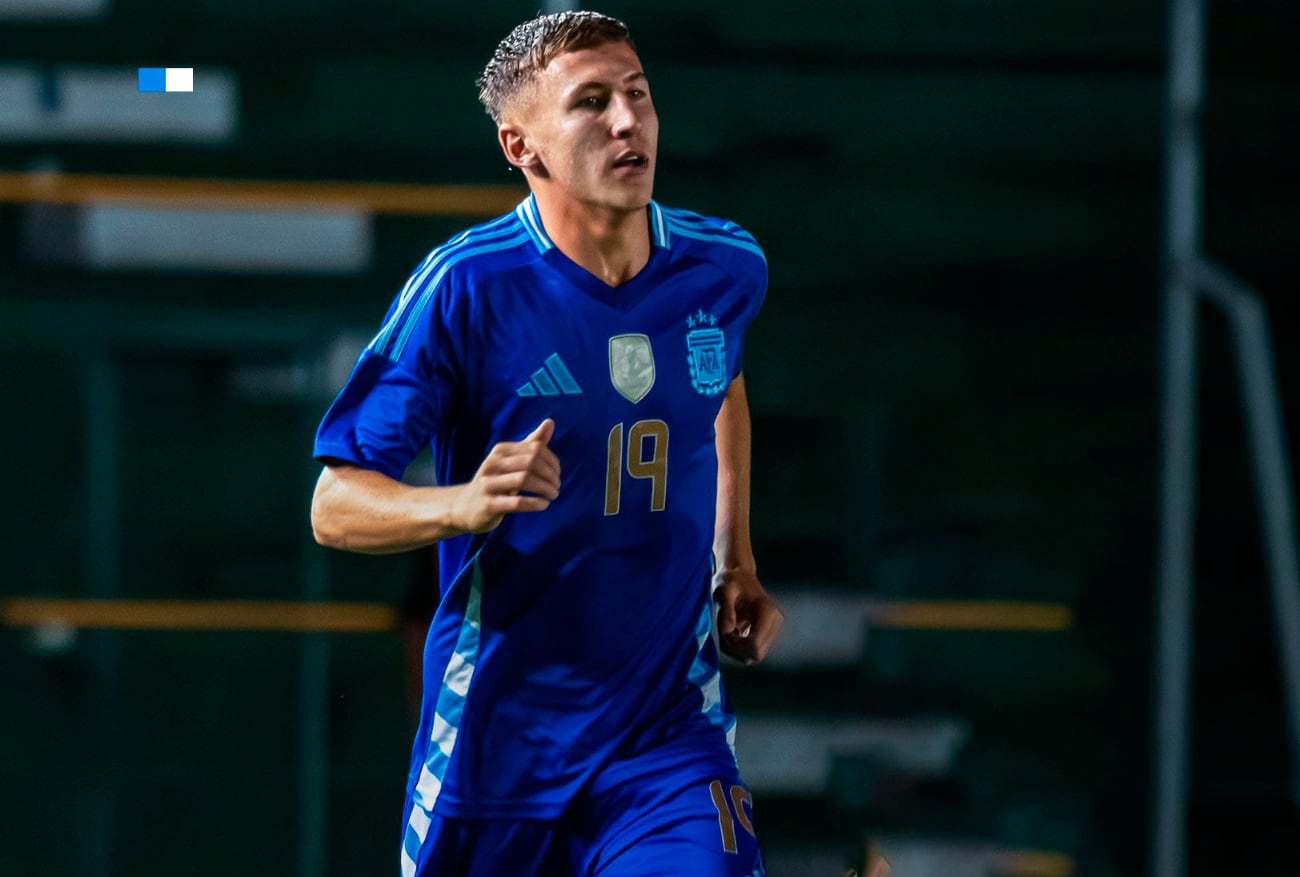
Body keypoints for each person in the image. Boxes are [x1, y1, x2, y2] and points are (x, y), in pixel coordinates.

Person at [310, 11, 783, 876]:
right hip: (498, 747)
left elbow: (723, 383)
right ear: (520, 146)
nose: (627, 120)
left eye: (637, 94)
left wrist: (734, 557)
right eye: (591, 102)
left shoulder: (726, 266)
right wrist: (463, 502)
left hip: (665, 736)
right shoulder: (467, 287)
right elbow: (334, 503)